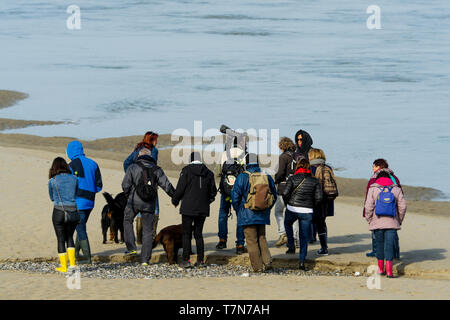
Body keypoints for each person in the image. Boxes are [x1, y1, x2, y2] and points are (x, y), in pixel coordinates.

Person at [121, 148, 175, 266]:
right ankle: (145, 259)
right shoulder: (157, 169)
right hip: (149, 204)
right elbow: (167, 185)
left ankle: (131, 248)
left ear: (139, 156)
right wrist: (175, 197)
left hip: (133, 202)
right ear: (150, 156)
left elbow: (125, 185)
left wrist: (129, 195)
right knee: (148, 231)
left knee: (127, 220)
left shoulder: (132, 167)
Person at [231, 153, 277, 273]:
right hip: (262, 213)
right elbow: (274, 195)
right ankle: (267, 262)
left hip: (247, 213)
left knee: (251, 241)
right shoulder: (266, 175)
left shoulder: (242, 177)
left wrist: (239, 210)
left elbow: (235, 196)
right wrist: (267, 208)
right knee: (262, 237)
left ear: (246, 163)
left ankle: (257, 267)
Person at [172, 152, 218, 268]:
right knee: (198, 234)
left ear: (190, 159)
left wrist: (175, 201)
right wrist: (206, 202)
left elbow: (180, 188)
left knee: (186, 234)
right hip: (202, 208)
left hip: (187, 207)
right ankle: (200, 260)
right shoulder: (209, 173)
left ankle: (186, 260)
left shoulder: (186, 171)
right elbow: (213, 192)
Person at [280, 158, 322, 270]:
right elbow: (319, 198)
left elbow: (285, 193)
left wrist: (288, 204)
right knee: (304, 237)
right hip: (307, 211)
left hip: (292, 208)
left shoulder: (293, 178)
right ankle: (302, 262)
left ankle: (291, 245)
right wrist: (311, 206)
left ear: (298, 166)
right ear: (309, 167)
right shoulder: (315, 180)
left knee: (287, 224)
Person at [364, 171, 407, 278]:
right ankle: (389, 272)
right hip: (392, 222)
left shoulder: (372, 189)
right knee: (389, 246)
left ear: (377, 178)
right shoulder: (396, 189)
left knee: (379, 245)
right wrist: (399, 219)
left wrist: (370, 220)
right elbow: (403, 206)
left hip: (377, 222)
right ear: (390, 178)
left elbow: (368, 206)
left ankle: (380, 269)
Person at [66, 140, 103, 264]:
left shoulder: (70, 165)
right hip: (90, 202)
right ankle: (76, 254)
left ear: (70, 151)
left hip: (77, 202)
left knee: (81, 229)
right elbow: (99, 186)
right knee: (80, 227)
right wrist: (90, 191)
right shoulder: (93, 164)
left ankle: (87, 258)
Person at [123, 131, 160, 246]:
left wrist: (131, 175)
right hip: (149, 184)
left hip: (136, 184)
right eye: (156, 139)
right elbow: (151, 166)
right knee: (155, 208)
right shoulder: (153, 151)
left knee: (138, 209)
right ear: (152, 140)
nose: (157, 142)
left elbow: (126, 163)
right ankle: (150, 237)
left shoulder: (138, 149)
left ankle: (139, 239)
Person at [364, 159, 402, 258]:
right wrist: (399, 215)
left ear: (379, 167)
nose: (373, 168)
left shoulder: (374, 178)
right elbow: (400, 193)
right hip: (392, 209)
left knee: (376, 232)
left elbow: (369, 198)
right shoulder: (394, 178)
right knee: (393, 233)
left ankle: (376, 251)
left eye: (374, 166)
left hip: (378, 211)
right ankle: (396, 253)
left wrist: (367, 215)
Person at [48, 157, 80, 273]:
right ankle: (72, 265)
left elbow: (51, 197)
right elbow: (76, 194)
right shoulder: (75, 179)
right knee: (70, 237)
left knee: (61, 239)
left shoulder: (53, 181)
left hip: (58, 211)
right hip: (73, 211)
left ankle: (63, 266)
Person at [216, 137, 247, 254]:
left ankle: (222, 240)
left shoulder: (224, 154)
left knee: (223, 214)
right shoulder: (242, 154)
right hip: (239, 191)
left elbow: (219, 171)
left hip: (225, 189)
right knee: (240, 216)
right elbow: (245, 172)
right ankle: (239, 244)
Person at [309, 148, 337, 255]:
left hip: (316, 200)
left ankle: (315, 244)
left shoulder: (311, 168)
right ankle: (324, 247)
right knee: (322, 223)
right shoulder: (328, 167)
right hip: (328, 199)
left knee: (312, 222)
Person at [273, 137, 299, 247]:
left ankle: (283, 233)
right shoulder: (298, 156)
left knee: (278, 211)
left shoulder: (283, 157)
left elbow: (280, 172)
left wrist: (275, 180)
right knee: (294, 213)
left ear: (282, 146)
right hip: (296, 188)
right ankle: (295, 237)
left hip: (283, 188)